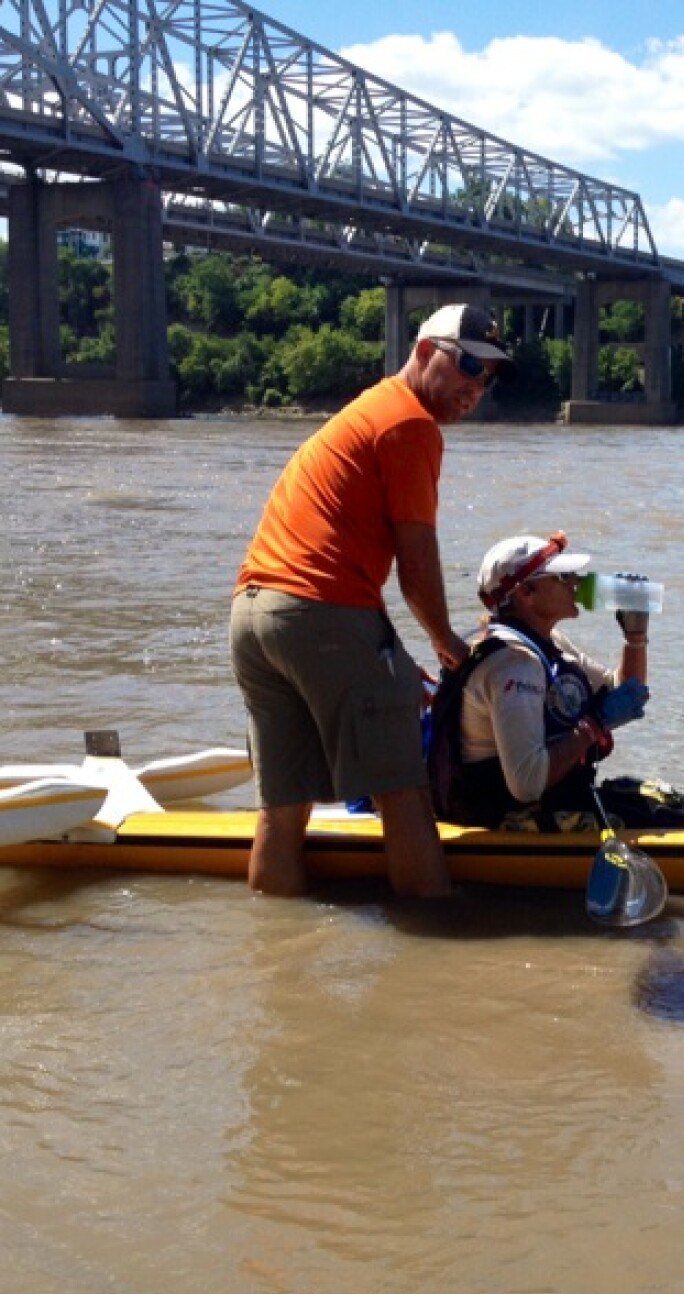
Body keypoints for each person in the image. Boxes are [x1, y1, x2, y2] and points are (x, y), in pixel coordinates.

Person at [229, 303, 515, 898]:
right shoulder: (411, 423)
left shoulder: (367, 410)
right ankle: (433, 962)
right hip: (320, 616)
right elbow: (415, 560)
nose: (476, 386)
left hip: (255, 616)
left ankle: (273, 964)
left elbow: (333, 555)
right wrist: (446, 644)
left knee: (282, 809)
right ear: (423, 352)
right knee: (403, 791)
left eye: (489, 375)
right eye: (467, 364)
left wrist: (385, 647)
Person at [429, 532, 684, 833]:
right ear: (527, 593)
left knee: (675, 807)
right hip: (504, 815)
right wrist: (595, 724)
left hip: (554, 798)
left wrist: (635, 637)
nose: (576, 582)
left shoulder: (548, 643)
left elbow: (627, 693)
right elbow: (527, 785)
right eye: (563, 576)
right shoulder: (515, 664)